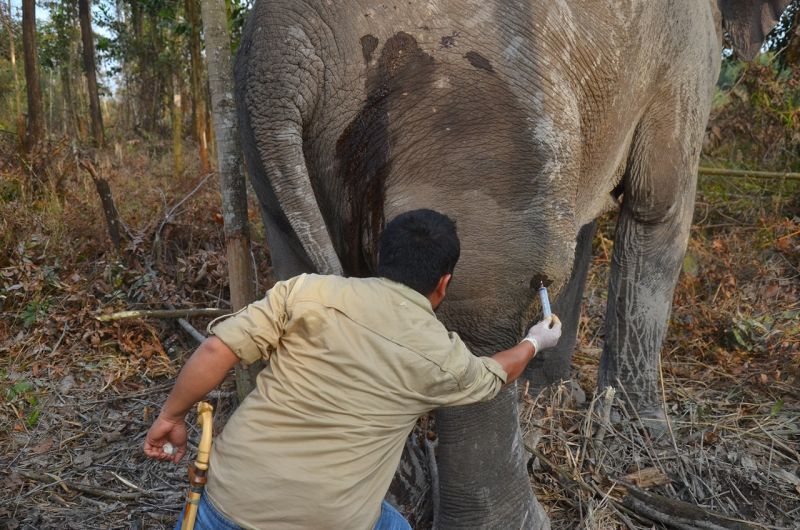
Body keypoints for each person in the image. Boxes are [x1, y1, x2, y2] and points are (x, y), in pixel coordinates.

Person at [144, 209, 562, 530]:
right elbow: (494, 375)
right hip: (329, 519)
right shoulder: (441, 355)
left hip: (227, 502)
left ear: (383, 258)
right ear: (444, 283)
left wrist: (170, 417)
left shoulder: (308, 291)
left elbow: (218, 347)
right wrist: (534, 342)